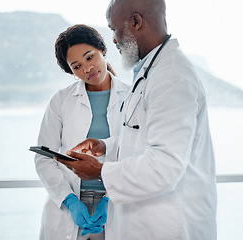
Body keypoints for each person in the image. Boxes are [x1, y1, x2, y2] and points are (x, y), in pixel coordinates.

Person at [56, 0, 218, 239]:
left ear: (135, 22)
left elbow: (164, 167)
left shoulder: (171, 77)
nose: (112, 40)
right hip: (144, 223)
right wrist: (106, 146)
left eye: (113, 29)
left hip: (169, 227)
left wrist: (99, 171)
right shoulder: (149, 72)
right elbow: (142, 139)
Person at [34, 24, 129, 240]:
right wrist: (69, 201)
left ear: (102, 50)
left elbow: (136, 152)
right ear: (71, 71)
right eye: (76, 66)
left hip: (116, 203)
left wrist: (109, 199)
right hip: (68, 203)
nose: (87, 68)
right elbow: (43, 159)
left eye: (90, 57)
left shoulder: (132, 97)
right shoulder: (61, 100)